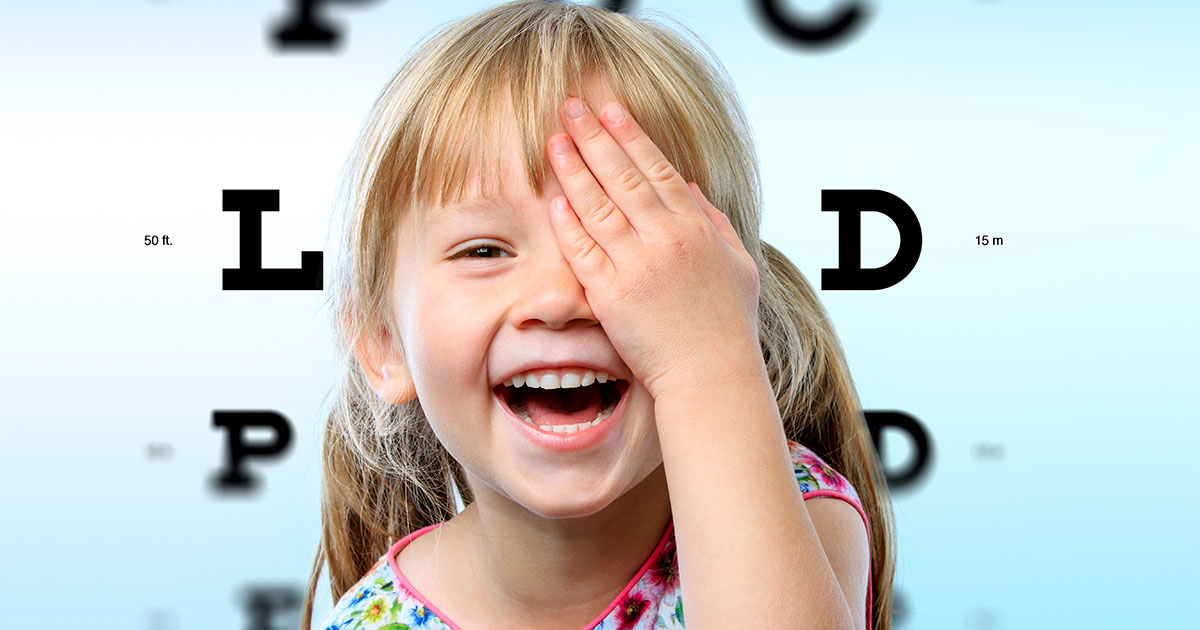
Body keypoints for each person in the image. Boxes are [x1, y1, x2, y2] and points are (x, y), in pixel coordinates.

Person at [303, 2, 896, 629]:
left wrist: (706, 360)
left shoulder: (793, 516)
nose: (559, 299)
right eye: (483, 251)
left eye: (619, 241)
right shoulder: (370, 620)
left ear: (722, 299)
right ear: (381, 343)